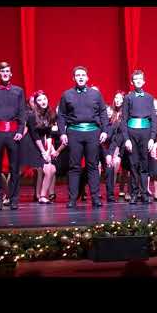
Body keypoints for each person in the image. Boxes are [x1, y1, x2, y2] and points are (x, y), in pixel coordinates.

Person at [57, 66, 109, 208]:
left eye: (83, 75)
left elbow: (103, 113)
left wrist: (104, 130)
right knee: (74, 167)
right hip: (74, 133)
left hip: (93, 133)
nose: (80, 77)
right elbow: (61, 115)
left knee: (93, 166)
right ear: (73, 78)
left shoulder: (95, 94)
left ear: (87, 78)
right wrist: (62, 133)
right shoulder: (67, 95)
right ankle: (73, 198)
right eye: (77, 75)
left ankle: (95, 198)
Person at [0, 61, 26, 210]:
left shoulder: (18, 91)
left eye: (7, 71)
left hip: (13, 133)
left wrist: (20, 131)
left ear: (11, 74)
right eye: (2, 71)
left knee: (14, 168)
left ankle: (14, 199)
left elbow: (22, 113)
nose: (5, 73)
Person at [121, 70, 157, 205]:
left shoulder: (149, 97)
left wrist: (152, 138)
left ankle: (144, 193)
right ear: (132, 82)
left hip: (146, 133)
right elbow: (124, 120)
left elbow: (153, 118)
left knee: (144, 164)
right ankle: (134, 193)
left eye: (140, 79)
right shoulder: (128, 98)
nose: (138, 81)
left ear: (144, 81)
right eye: (135, 79)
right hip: (132, 133)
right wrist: (126, 139)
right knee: (133, 164)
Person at [23, 90, 57, 204]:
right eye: (39, 100)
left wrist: (48, 150)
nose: (43, 101)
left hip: (42, 144)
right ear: (35, 103)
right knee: (19, 170)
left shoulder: (49, 114)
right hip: (31, 144)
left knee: (52, 169)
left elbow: (49, 134)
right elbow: (35, 135)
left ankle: (42, 195)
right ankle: (8, 194)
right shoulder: (32, 115)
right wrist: (43, 151)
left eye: (44, 99)